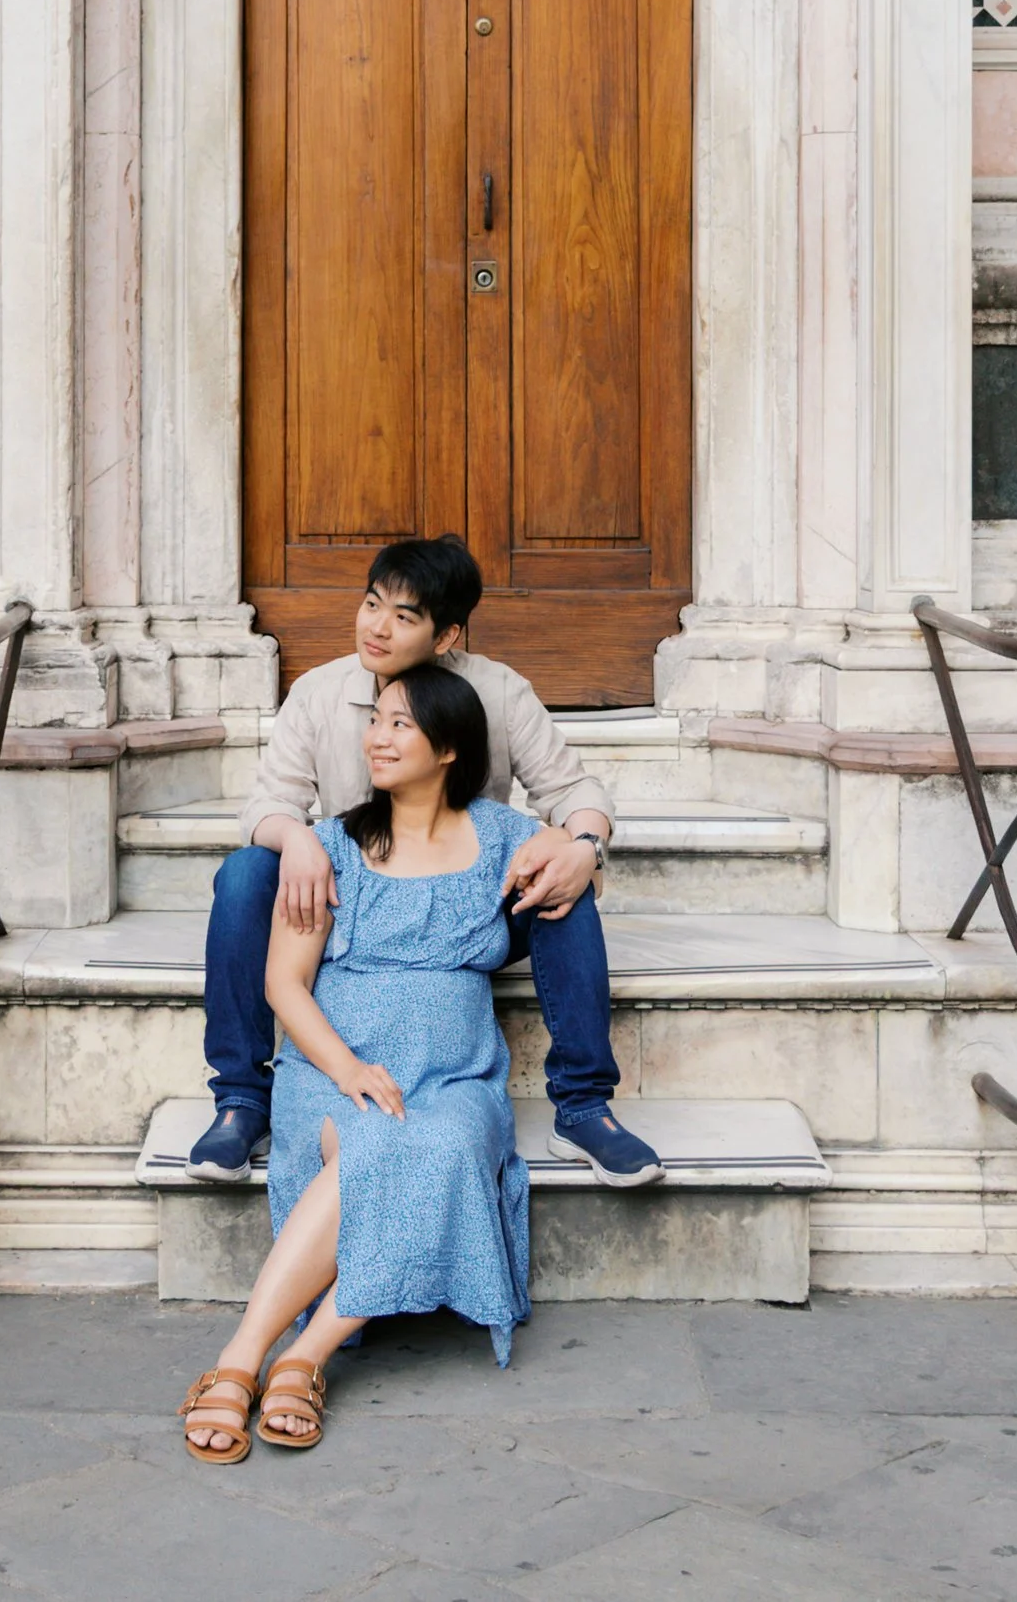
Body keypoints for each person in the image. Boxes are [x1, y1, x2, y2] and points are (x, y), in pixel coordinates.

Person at [190, 535, 660, 1187]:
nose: (377, 627)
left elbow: (574, 791)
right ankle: (241, 1099)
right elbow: (267, 802)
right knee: (245, 874)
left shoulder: (498, 691)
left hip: (464, 907)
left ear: (446, 636)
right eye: (371, 603)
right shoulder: (320, 692)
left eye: (404, 616)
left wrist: (584, 846)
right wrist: (296, 838)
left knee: (563, 881)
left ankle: (583, 1106)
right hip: (347, 906)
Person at [179, 659, 537, 1459]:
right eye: (376, 719)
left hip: (455, 1078)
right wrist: (346, 1069)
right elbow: (283, 981)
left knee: (445, 1142)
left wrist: (580, 848)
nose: (377, 735)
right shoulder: (330, 845)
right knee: (375, 1139)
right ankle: (243, 1357)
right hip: (335, 1070)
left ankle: (302, 1357)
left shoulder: (503, 836)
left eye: (400, 722)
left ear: (450, 745)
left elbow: (577, 866)